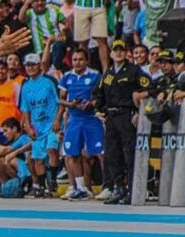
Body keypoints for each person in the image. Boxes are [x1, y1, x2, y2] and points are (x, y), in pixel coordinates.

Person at [95, 39, 151, 205]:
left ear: (126, 52)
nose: (118, 53)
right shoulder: (109, 73)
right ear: (111, 53)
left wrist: (140, 103)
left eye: (121, 50)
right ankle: (119, 187)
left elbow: (151, 87)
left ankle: (133, 190)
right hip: (111, 117)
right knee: (112, 154)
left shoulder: (134, 71)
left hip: (126, 115)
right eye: (115, 50)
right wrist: (98, 111)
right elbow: (98, 94)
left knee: (129, 154)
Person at [57, 49, 102, 201]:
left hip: (92, 118)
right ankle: (81, 187)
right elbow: (61, 100)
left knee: (100, 153)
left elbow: (100, 97)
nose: (78, 62)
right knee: (72, 153)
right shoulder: (67, 77)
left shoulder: (95, 75)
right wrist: (71, 104)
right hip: (74, 119)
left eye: (81, 59)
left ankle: (109, 186)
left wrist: (91, 103)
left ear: (86, 60)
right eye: (75, 60)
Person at [20, 53, 61, 198]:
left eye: (33, 64)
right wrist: (28, 126)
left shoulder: (49, 81)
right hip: (36, 126)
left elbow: (60, 101)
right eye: (27, 65)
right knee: (37, 159)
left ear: (39, 65)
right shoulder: (25, 86)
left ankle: (53, 179)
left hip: (51, 125)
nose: (30, 68)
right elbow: (25, 108)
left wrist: (57, 120)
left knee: (51, 149)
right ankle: (42, 186)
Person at [0, 117, 32, 184]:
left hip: (30, 168)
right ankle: (6, 186)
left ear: (14, 129)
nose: (4, 134)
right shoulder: (9, 141)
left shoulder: (24, 138)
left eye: (6, 131)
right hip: (21, 167)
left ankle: (23, 182)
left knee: (8, 159)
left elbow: (6, 150)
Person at [73, 0, 109, 72]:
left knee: (102, 41)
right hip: (80, 6)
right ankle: (85, 71)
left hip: (99, 6)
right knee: (83, 42)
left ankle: (106, 72)